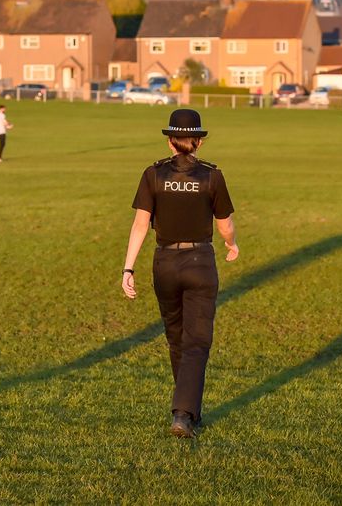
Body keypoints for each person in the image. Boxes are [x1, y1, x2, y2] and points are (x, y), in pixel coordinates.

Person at [121, 109, 240, 438]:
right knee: (197, 342)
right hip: (200, 261)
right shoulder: (212, 176)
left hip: (165, 264)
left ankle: (189, 411)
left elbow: (140, 224)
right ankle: (183, 414)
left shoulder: (153, 174)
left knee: (177, 339)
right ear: (197, 142)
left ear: (171, 140)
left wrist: (128, 267)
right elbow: (225, 224)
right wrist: (232, 244)